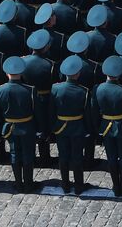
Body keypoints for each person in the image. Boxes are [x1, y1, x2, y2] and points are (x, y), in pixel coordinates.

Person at [0, 56, 38, 193]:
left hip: (9, 128)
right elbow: (37, 112)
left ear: (7, 73)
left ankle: (18, 183)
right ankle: (28, 184)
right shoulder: (30, 90)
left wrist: (1, 129)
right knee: (28, 154)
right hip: (27, 127)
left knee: (14, 154)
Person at [50, 55, 93, 195]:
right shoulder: (83, 91)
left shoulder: (55, 88)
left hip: (61, 126)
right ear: (78, 73)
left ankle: (65, 185)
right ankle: (79, 185)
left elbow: (51, 109)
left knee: (63, 156)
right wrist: (87, 129)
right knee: (77, 157)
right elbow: (87, 113)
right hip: (77, 127)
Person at [96, 56, 122, 197]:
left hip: (106, 126)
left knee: (111, 158)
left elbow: (95, 110)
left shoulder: (98, 88)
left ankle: (116, 186)